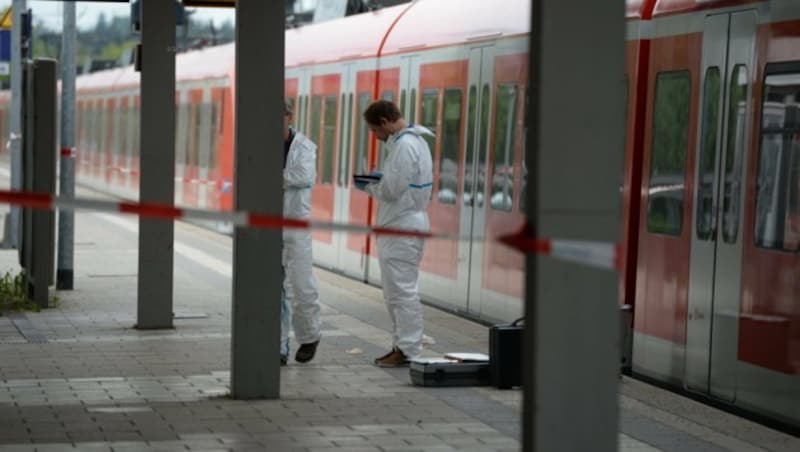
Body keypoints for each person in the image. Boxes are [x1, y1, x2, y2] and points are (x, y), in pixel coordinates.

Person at [355, 99, 434, 367]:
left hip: (401, 226)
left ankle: (408, 349)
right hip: (408, 222)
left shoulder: (403, 146)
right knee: (399, 290)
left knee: (400, 291)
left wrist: (368, 186)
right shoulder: (418, 142)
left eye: (375, 130)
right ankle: (403, 344)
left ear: (385, 123)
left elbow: (391, 190)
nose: (375, 137)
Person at [280, 100, 321, 365]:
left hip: (295, 224)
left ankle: (309, 336)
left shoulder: (304, 146)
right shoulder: (257, 143)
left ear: (289, 116)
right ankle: (279, 345)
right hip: (267, 223)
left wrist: (269, 175)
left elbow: (303, 176)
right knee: (273, 290)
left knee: (301, 285)